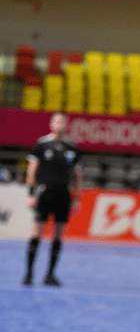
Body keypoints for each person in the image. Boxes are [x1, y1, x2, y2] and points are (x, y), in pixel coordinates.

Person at [23, 111, 82, 287]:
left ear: (67, 124)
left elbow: (78, 176)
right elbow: (31, 170)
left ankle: (50, 274)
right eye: (56, 121)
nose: (59, 124)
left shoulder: (72, 148)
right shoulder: (42, 144)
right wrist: (31, 194)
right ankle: (29, 273)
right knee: (37, 233)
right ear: (51, 124)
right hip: (44, 193)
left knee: (58, 235)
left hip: (63, 195)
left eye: (62, 122)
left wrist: (77, 199)